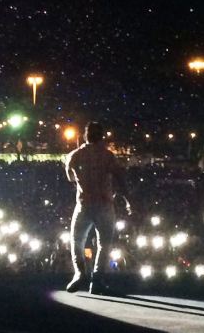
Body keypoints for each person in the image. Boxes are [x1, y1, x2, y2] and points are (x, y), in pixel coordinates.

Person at [64, 122, 128, 294]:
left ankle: (80, 273)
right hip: (105, 205)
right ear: (101, 137)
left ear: (86, 135)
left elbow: (70, 177)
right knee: (104, 244)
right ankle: (97, 280)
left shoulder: (75, 155)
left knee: (77, 241)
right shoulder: (108, 156)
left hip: (84, 205)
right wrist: (128, 198)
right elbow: (120, 177)